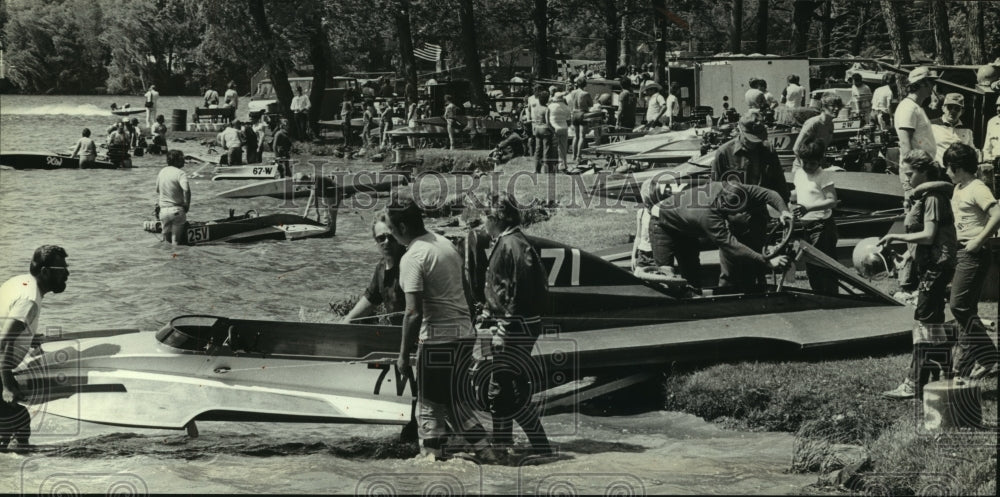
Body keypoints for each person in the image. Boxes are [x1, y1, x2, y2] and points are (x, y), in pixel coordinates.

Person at [385, 193, 489, 460]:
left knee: (428, 409)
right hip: (464, 336)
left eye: (391, 229)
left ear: (403, 228)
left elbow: (412, 313)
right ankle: (488, 454)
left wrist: (402, 356)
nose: (391, 236)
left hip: (436, 342)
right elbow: (467, 291)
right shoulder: (444, 244)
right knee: (457, 405)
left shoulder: (412, 257)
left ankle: (432, 463)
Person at [479, 192, 552, 456]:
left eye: (484, 218)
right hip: (517, 325)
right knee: (507, 389)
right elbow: (504, 288)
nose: (482, 224)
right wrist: (488, 312)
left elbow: (518, 291)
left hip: (516, 328)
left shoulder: (512, 244)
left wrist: (504, 329)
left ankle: (519, 447)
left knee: (501, 390)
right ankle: (508, 445)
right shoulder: (511, 241)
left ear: (494, 218)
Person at [880, 151, 957, 399]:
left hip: (937, 266)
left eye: (910, 174)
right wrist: (907, 257)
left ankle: (914, 383)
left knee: (925, 323)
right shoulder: (923, 196)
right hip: (931, 265)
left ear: (924, 172)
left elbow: (929, 235)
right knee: (931, 323)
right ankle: (947, 375)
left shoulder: (933, 196)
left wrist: (895, 236)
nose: (906, 178)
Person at [649, 181, 792, 293]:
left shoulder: (735, 187)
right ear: (722, 203)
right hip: (662, 222)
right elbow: (730, 245)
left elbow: (770, 194)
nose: (737, 214)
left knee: (692, 277)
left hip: (685, 223)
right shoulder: (708, 216)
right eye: (733, 211)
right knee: (667, 276)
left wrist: (784, 211)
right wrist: (766, 261)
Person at [1, 245, 70, 450]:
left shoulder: (22, 282)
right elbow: (4, 340)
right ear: (45, 272)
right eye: (62, 270)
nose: (67, 274)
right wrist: (7, 383)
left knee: (11, 426)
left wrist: (26, 336)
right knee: (19, 422)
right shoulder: (30, 299)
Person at [943, 143, 1000, 380]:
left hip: (973, 251)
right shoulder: (959, 188)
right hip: (961, 250)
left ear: (957, 168)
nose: (946, 172)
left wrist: (978, 240)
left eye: (947, 168)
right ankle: (966, 366)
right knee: (966, 309)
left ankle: (989, 357)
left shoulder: (977, 187)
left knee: (959, 305)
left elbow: (997, 213)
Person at [792, 140, 840, 295]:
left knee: (824, 266)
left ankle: (831, 296)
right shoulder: (799, 174)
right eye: (804, 162)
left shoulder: (823, 176)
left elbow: (832, 201)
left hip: (822, 226)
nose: (807, 167)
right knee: (811, 266)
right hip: (806, 226)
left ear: (820, 161)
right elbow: (799, 193)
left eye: (812, 164)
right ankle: (818, 295)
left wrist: (808, 208)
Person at [710, 114, 790, 202]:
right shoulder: (724, 153)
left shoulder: (768, 150)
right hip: (736, 207)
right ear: (740, 131)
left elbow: (779, 182)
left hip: (763, 205)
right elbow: (715, 189)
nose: (753, 143)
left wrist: (784, 208)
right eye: (749, 139)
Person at [342, 217, 406, 325]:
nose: (387, 242)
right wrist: (345, 323)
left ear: (399, 236)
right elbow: (371, 298)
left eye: (391, 237)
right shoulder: (381, 267)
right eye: (381, 238)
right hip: (397, 333)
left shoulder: (409, 263)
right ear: (375, 241)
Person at [895, 67, 938, 195]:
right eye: (931, 82)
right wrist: (911, 175)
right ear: (922, 83)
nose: (933, 86)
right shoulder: (908, 108)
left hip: (922, 170)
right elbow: (905, 144)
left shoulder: (915, 107)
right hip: (916, 172)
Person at [792, 93, 843, 173]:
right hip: (802, 169)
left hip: (817, 168)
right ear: (823, 107)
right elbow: (796, 148)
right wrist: (806, 167)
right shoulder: (813, 123)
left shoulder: (830, 125)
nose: (836, 109)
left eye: (838, 106)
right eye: (832, 105)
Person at [155, 150, 191, 245]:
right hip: (176, 210)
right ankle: (176, 258)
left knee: (166, 242)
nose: (184, 161)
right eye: (182, 159)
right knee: (176, 242)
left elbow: (158, 190)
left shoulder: (162, 171)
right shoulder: (180, 173)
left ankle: (167, 259)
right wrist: (187, 205)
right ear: (176, 161)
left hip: (163, 211)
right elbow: (186, 190)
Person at [930, 93, 975, 165]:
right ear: (943, 108)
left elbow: (971, 151)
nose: (953, 111)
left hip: (959, 172)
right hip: (939, 171)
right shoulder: (932, 125)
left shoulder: (967, 129)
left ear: (962, 111)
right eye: (949, 107)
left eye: (957, 108)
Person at [631, 177, 663, 272]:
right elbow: (638, 236)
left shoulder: (661, 214)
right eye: (646, 204)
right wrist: (633, 256)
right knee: (638, 278)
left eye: (650, 203)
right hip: (642, 254)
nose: (648, 206)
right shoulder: (641, 213)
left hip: (656, 255)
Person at [566, 78, 594, 162]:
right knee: (582, 136)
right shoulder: (586, 93)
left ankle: (574, 156)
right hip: (582, 113)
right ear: (585, 84)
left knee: (576, 136)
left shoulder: (573, 92)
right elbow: (591, 104)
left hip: (574, 113)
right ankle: (579, 155)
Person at [530, 89, 554, 174]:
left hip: (537, 128)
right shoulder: (546, 109)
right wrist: (553, 130)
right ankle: (546, 170)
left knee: (538, 150)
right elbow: (547, 122)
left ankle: (537, 169)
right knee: (546, 150)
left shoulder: (535, 107)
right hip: (544, 129)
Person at [548, 92, 571, 171]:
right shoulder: (566, 107)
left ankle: (554, 165)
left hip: (554, 128)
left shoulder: (550, 107)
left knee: (554, 148)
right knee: (563, 148)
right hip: (564, 128)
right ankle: (563, 165)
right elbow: (568, 120)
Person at [983, 99, 1000, 165]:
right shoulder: (992, 122)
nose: (998, 108)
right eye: (997, 105)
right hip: (995, 164)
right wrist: (987, 162)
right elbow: (987, 147)